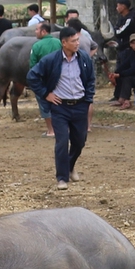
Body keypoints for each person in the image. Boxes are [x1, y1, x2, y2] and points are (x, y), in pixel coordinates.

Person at [27, 25, 94, 189]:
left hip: (79, 105)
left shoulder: (84, 58)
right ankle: (62, 178)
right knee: (62, 141)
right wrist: (45, 94)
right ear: (64, 43)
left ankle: (70, 166)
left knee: (79, 142)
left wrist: (88, 98)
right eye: (73, 41)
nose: (77, 43)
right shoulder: (51, 60)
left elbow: (90, 79)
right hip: (60, 107)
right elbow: (32, 76)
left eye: (77, 40)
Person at [29, 22, 63, 136]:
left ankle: (51, 130)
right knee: (59, 102)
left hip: (43, 80)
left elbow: (33, 65)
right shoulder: (58, 42)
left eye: (37, 29)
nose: (35, 31)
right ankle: (61, 128)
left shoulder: (36, 46)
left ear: (44, 31)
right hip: (59, 79)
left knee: (44, 104)